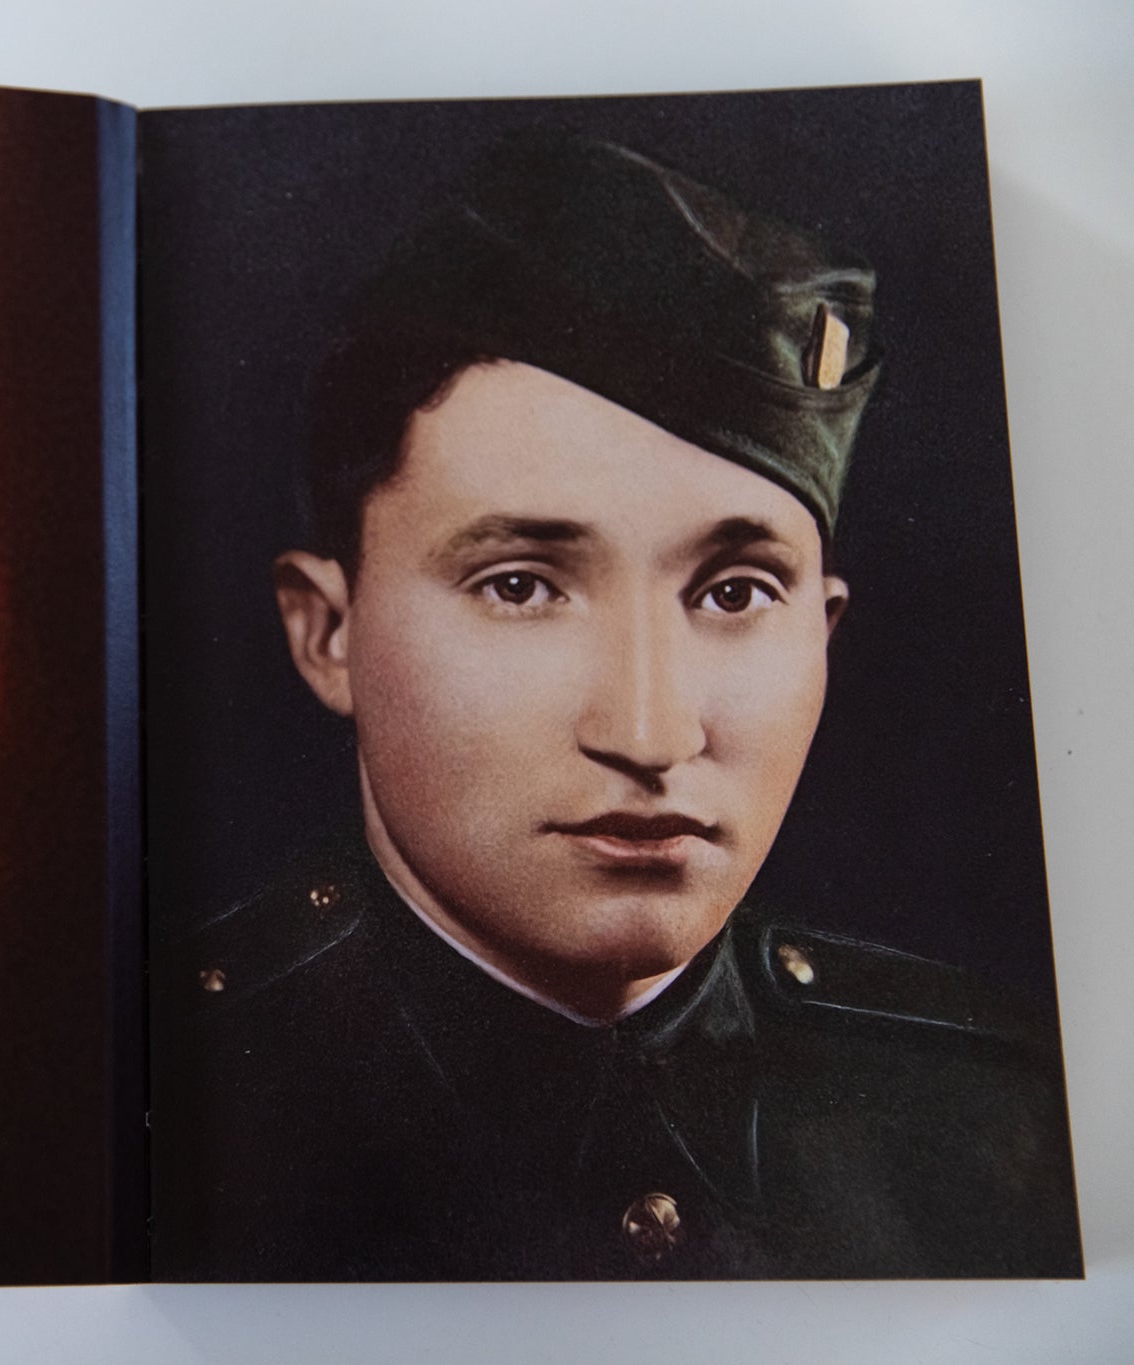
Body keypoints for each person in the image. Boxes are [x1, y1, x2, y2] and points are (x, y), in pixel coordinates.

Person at [150, 128, 1082, 1280]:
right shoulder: (160, 1099)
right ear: (327, 633)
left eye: (733, 592)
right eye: (520, 586)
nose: (648, 733)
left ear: (822, 634)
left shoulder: (999, 1120)